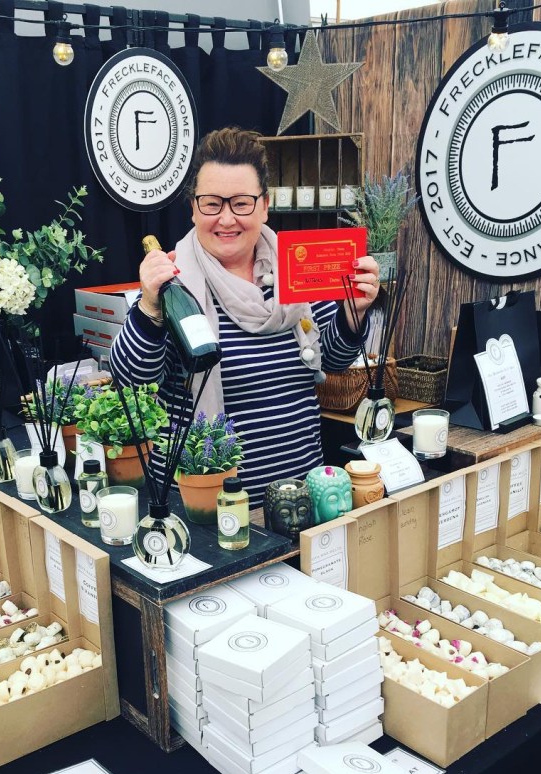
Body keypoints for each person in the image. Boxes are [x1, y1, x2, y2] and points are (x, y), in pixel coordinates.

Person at [110, 126, 380, 508]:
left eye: (241, 203)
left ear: (265, 205)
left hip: (301, 496)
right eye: (211, 203)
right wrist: (148, 309)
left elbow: (330, 362)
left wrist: (353, 317)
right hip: (207, 507)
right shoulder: (172, 282)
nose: (226, 219)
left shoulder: (296, 270)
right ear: (193, 208)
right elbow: (132, 379)